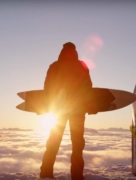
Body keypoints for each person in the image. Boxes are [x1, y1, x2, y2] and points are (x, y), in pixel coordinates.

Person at [40, 42, 93, 180]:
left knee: (53, 140)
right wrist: (89, 105)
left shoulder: (55, 66)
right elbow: (88, 88)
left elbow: (48, 88)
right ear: (75, 51)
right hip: (77, 109)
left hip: (59, 109)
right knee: (77, 144)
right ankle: (77, 176)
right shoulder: (81, 65)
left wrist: (47, 106)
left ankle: (46, 173)